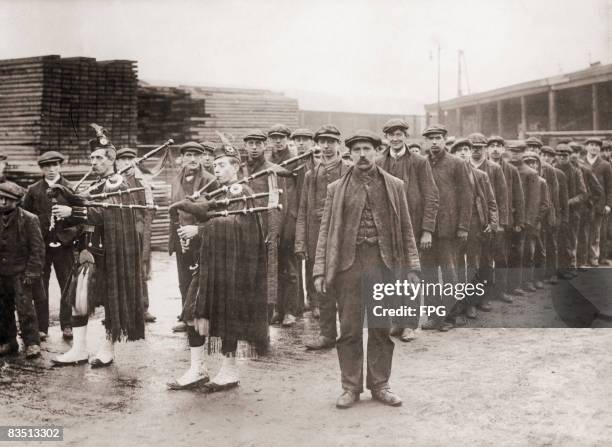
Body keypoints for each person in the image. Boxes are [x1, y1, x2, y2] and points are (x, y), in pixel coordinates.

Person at [314, 130, 421, 409]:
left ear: (376, 152)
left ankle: (381, 385)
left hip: (383, 266)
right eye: (357, 149)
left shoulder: (395, 185)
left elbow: (407, 228)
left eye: (367, 149)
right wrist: (319, 270)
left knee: (380, 329)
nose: (362, 154)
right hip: (348, 267)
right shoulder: (336, 188)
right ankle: (350, 387)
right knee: (348, 329)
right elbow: (325, 231)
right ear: (349, 154)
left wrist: (413, 267)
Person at [168, 145, 268, 391]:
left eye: (223, 165)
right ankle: (197, 368)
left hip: (231, 265)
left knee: (226, 314)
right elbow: (211, 210)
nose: (217, 169)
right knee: (192, 311)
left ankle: (229, 370)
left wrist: (200, 230)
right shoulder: (222, 190)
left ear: (236, 166)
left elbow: (238, 225)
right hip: (210, 263)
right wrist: (186, 206)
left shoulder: (241, 190)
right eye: (215, 165)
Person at [51, 134, 144, 367]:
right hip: (86, 250)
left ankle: (107, 349)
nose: (94, 162)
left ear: (111, 160)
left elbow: (106, 215)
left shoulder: (118, 184)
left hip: (109, 252)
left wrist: (73, 212)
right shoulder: (94, 185)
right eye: (92, 157)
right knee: (78, 299)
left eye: (99, 157)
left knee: (111, 301)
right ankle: (79, 349)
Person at [377, 118, 439, 340]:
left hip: (411, 227)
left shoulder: (419, 162)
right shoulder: (378, 162)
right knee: (390, 275)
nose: (395, 138)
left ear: (405, 136)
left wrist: (427, 230)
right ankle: (396, 320)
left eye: (399, 134)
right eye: (391, 134)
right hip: (386, 230)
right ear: (386, 138)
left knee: (410, 274)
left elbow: (432, 196)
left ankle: (410, 324)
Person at [295, 125, 348, 350]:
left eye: (330, 141)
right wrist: (301, 241)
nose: (326, 146)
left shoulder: (349, 170)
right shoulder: (311, 175)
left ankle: (348, 334)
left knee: (346, 284)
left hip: (344, 236)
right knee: (323, 284)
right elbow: (303, 209)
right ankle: (327, 334)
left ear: (338, 144)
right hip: (318, 237)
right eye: (322, 141)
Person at [421, 125, 473, 331]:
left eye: (438, 138)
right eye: (430, 138)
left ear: (444, 140)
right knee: (429, 274)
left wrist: (463, 227)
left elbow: (467, 197)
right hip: (426, 230)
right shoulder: (422, 164)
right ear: (425, 142)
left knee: (450, 275)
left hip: (449, 230)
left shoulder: (457, 164)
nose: (434, 142)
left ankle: (450, 317)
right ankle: (434, 316)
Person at [22, 151, 78, 340]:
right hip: (41, 247)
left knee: (67, 285)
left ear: (60, 166)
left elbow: (81, 218)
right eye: (46, 166)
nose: (51, 170)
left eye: (55, 165)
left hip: (65, 246)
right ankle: (42, 327)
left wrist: (68, 234)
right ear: (42, 169)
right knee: (40, 286)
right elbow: (24, 218)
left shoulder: (70, 187)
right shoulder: (33, 190)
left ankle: (67, 325)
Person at [243, 129, 290, 323]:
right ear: (245, 146)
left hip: (265, 230)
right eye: (250, 143)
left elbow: (282, 203)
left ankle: (265, 318)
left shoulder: (273, 170)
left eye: (258, 144)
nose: (254, 148)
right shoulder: (240, 169)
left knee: (267, 274)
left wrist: (274, 231)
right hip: (243, 228)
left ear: (265, 146)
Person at [169, 142, 217, 332]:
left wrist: (198, 229)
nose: (193, 159)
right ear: (182, 158)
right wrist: (175, 236)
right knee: (184, 278)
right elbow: (172, 209)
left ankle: (203, 317)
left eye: (197, 155)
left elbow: (212, 208)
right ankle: (186, 316)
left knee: (202, 277)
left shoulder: (210, 180)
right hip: (181, 236)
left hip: (200, 234)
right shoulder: (175, 180)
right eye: (189, 155)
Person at [451, 138, 498, 320]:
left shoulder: (480, 176)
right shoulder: (449, 175)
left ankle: (471, 303)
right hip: (453, 228)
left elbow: (492, 202)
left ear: (471, 153)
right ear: (453, 154)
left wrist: (492, 223)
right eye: (459, 150)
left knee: (473, 265)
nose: (463, 153)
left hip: (475, 226)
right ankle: (456, 303)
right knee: (455, 267)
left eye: (466, 149)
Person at [0, 181, 44, 358]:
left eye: (7, 200)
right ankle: (8, 342)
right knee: (3, 309)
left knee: (25, 308)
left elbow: (37, 249)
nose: (2, 203)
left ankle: (32, 342)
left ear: (17, 201)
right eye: (0, 199)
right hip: (1, 272)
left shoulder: (29, 219)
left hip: (21, 273)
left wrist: (32, 272)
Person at [268, 124, 305, 326]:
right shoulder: (269, 160)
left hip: (290, 217)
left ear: (287, 138)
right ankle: (278, 308)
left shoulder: (296, 160)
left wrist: (297, 217)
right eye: (274, 138)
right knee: (276, 264)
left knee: (290, 266)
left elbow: (301, 191)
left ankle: (292, 310)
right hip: (273, 217)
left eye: (281, 137)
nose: (278, 141)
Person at [115, 148, 157, 323]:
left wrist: (141, 231)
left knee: (139, 270)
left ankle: (143, 307)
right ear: (116, 162)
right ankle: (118, 311)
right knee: (117, 270)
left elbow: (149, 210)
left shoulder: (141, 182)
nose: (126, 163)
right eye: (122, 159)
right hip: (116, 230)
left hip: (136, 232)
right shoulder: (112, 181)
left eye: (130, 159)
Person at [468, 134, 509, 307]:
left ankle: (485, 297)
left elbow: (501, 197)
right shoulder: (463, 166)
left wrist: (497, 224)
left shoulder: (494, 168)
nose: (476, 150)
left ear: (484, 148)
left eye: (479, 147)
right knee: (470, 262)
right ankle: (471, 299)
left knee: (487, 260)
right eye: (473, 147)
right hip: (470, 222)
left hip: (488, 223)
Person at [487, 136, 525, 299]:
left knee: (501, 255)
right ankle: (483, 293)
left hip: (504, 220)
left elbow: (518, 197)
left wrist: (517, 221)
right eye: (492, 146)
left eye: (499, 146)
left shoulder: (510, 170)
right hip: (484, 219)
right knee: (483, 258)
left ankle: (501, 290)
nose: (495, 149)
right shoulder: (482, 166)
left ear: (503, 149)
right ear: (487, 149)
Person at [506, 141, 540, 293]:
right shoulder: (504, 169)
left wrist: (527, 221)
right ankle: (503, 284)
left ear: (523, 153)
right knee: (505, 252)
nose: (514, 154)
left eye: (518, 152)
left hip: (522, 220)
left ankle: (516, 284)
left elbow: (533, 200)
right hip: (507, 218)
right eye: (512, 151)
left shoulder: (530, 173)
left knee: (521, 253)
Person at [522, 151, 551, 290]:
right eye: (528, 162)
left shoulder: (542, 182)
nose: (532, 165)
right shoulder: (520, 179)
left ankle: (537, 278)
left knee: (536, 250)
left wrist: (536, 219)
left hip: (536, 222)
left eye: (534, 162)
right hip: (522, 221)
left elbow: (545, 204)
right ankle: (525, 280)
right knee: (525, 252)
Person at [540, 145, 569, 284]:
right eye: (543, 155)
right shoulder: (534, 170)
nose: (545, 158)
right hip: (538, 212)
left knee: (552, 243)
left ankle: (552, 273)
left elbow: (562, 198)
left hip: (552, 213)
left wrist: (562, 217)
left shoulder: (559, 174)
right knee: (539, 244)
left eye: (549, 156)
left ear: (553, 158)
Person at [583, 137, 612, 266]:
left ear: (599, 148)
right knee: (583, 231)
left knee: (597, 231)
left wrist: (608, 204)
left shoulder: (605, 165)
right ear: (586, 147)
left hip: (599, 204)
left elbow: (610, 187)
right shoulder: (580, 162)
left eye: (596, 145)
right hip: (584, 203)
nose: (594, 147)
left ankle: (594, 258)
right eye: (591, 145)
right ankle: (583, 258)